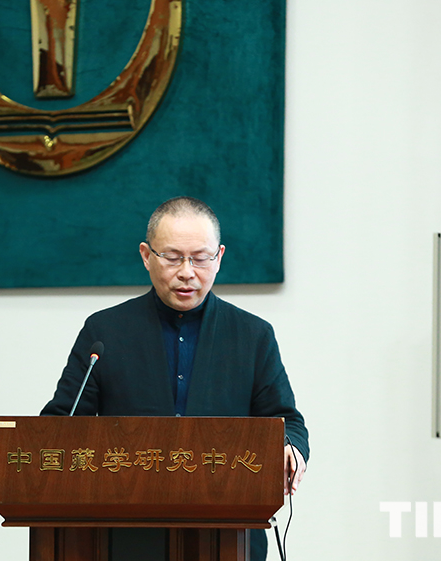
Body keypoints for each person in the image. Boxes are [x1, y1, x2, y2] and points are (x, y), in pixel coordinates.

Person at [41, 196, 308, 560]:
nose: (187, 272)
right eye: (172, 257)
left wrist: (290, 448)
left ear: (219, 257)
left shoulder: (252, 335)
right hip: (126, 534)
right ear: (146, 256)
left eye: (200, 258)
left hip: (228, 535)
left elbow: (287, 421)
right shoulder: (105, 332)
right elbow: (62, 422)